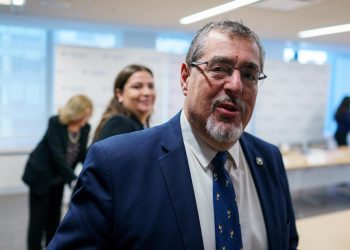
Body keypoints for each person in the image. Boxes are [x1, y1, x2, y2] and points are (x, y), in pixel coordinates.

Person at [47, 20, 298, 250]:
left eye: (249, 75)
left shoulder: (269, 158)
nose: (235, 85)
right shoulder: (115, 164)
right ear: (185, 78)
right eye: (219, 68)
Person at [22, 94, 93, 250]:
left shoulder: (85, 128)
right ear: (75, 111)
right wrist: (74, 179)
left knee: (54, 219)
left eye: (88, 116)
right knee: (38, 221)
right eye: (84, 115)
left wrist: (93, 168)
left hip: (59, 178)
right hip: (41, 175)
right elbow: (57, 155)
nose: (85, 120)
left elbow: (82, 154)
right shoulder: (55, 122)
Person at [92, 64, 156, 142]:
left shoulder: (136, 125)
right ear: (120, 94)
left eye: (151, 86)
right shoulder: (118, 124)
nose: (147, 92)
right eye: (137, 86)